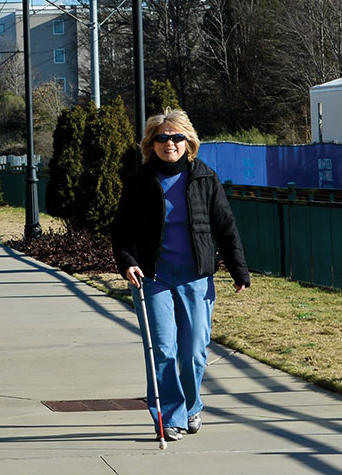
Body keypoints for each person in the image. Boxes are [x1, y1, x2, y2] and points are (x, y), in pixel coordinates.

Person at [111, 109, 249, 443]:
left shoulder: (204, 177)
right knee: (162, 348)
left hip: (195, 275)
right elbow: (122, 229)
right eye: (162, 138)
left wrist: (238, 268)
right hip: (153, 276)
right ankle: (169, 417)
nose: (169, 143)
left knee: (194, 351)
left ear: (188, 141)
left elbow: (225, 226)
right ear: (151, 144)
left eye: (176, 137)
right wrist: (127, 261)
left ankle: (191, 407)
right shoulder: (140, 181)